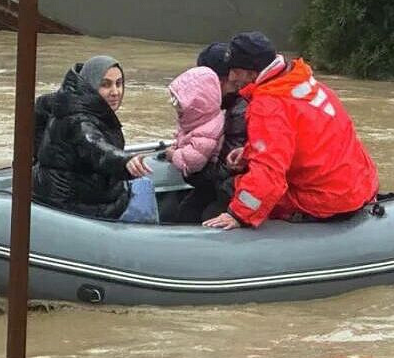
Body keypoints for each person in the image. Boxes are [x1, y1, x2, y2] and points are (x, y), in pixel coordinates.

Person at [203, 31, 378, 229]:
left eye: (236, 71)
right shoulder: (301, 82)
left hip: (326, 199)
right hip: (357, 186)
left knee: (228, 189)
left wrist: (238, 215)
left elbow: (269, 174)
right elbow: (299, 139)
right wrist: (249, 152)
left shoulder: (269, 105)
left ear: (253, 72)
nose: (233, 77)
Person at [33, 55, 156, 222]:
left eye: (119, 84)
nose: (115, 92)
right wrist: (124, 161)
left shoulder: (66, 101)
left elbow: (39, 108)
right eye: (105, 85)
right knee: (143, 196)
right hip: (75, 207)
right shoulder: (78, 120)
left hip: (83, 193)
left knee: (141, 185)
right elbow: (95, 145)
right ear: (90, 85)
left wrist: (37, 155)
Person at [165, 43, 249, 223]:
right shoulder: (212, 111)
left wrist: (186, 165)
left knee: (201, 215)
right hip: (219, 184)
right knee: (186, 211)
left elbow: (222, 174)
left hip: (232, 189)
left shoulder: (238, 113)